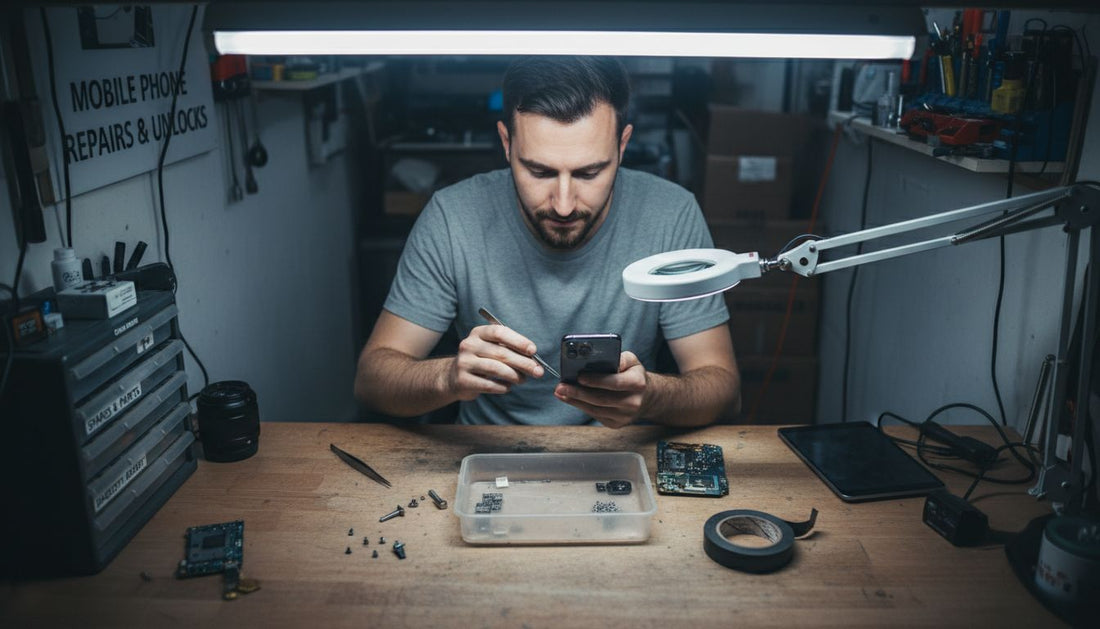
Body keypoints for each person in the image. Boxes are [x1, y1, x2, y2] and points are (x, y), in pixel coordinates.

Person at [355, 56, 740, 427]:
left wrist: (651, 396)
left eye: (590, 172)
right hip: (490, 457)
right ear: (507, 143)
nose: (564, 204)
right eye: (539, 171)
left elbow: (724, 391)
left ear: (622, 146)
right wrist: (448, 378)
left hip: (623, 457)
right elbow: (372, 382)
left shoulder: (670, 213)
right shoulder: (453, 216)